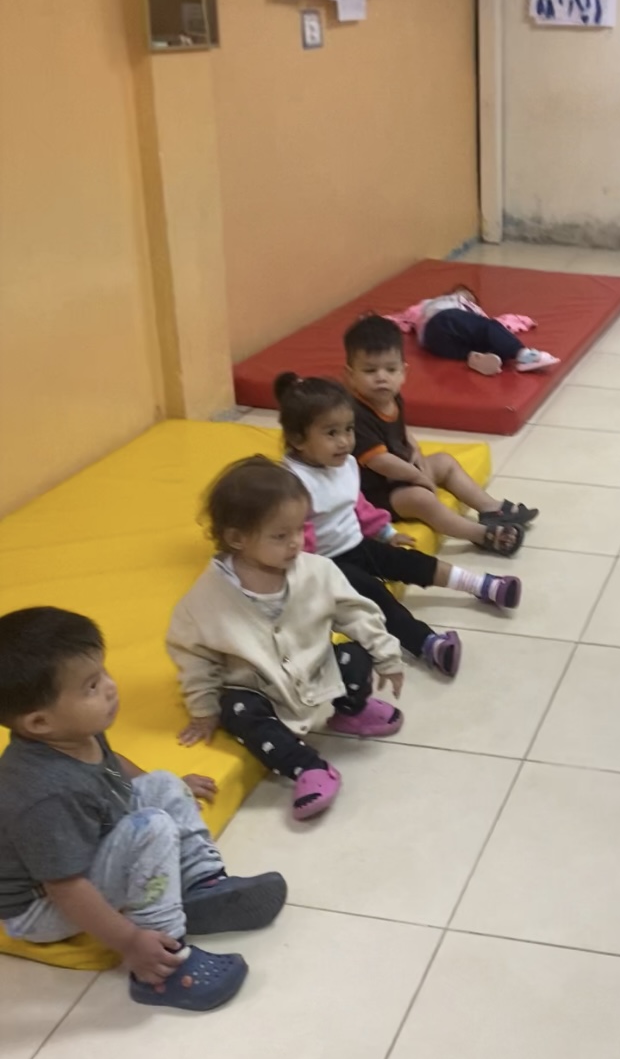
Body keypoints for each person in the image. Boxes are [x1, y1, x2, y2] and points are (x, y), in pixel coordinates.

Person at [0, 607, 286, 1011]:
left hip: (84, 849)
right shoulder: (43, 795)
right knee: (151, 827)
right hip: (43, 906)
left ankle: (200, 885)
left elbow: (111, 768)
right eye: (91, 686)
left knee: (163, 783)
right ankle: (164, 966)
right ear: (39, 723)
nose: (110, 687)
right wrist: (131, 941)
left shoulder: (74, 732)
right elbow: (66, 888)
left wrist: (166, 789)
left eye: (103, 673)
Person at [168, 456, 407, 822]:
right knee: (237, 711)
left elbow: (357, 613)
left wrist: (386, 655)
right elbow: (194, 656)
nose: (296, 542)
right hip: (260, 689)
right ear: (236, 538)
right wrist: (203, 709)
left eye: (299, 529)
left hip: (316, 669)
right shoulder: (204, 600)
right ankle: (307, 767)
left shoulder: (317, 570)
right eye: (280, 536)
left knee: (355, 654)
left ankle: (352, 710)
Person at [277, 373, 523, 680]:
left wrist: (385, 532)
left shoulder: (344, 463)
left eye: (349, 429)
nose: (345, 441)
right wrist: (303, 583)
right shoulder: (291, 483)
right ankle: (428, 644)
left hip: (356, 544)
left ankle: (481, 585)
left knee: (412, 562)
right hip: (325, 566)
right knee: (376, 596)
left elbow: (357, 504)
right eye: (331, 433)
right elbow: (295, 539)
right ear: (298, 439)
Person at [342, 314, 537, 553]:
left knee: (444, 461)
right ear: (351, 376)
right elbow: (380, 462)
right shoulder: (355, 415)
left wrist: (415, 449)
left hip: (401, 472)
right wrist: (417, 477)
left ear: (403, 372)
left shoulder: (391, 397)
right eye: (370, 370)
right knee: (421, 499)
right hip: (374, 493)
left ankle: (490, 508)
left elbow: (400, 429)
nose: (381, 377)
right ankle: (480, 535)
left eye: (390, 369)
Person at [408, 285, 560, 377]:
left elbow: (409, 315)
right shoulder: (447, 302)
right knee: (488, 329)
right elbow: (491, 326)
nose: (470, 299)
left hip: (433, 344)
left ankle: (477, 359)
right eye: (467, 295)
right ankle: (524, 355)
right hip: (442, 320)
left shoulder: (474, 313)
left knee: (483, 342)